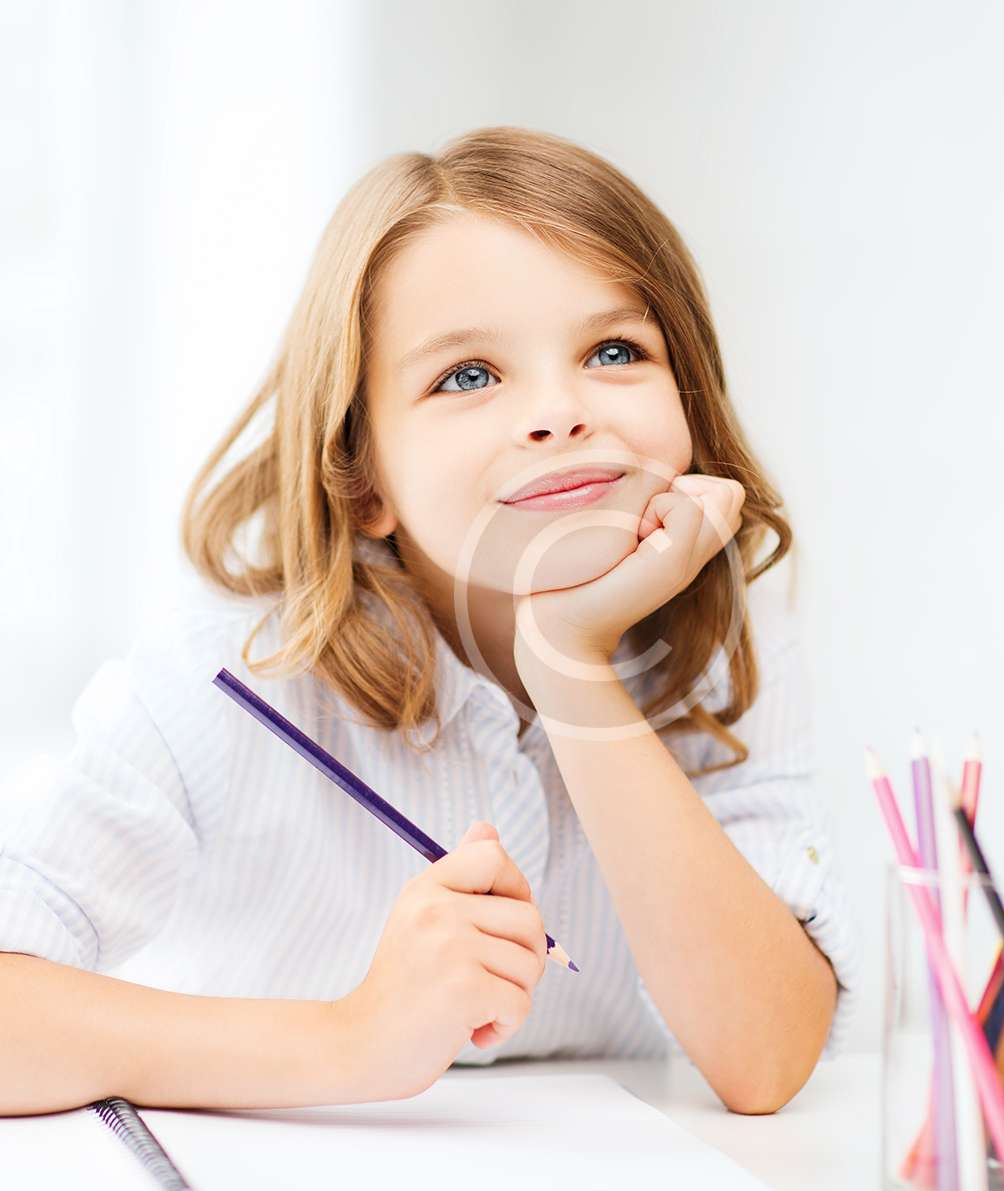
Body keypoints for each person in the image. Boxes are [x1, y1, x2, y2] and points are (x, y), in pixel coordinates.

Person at [0, 126, 858, 1118]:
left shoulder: (721, 654)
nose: (558, 412)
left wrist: (570, 667)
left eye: (613, 350)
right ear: (365, 481)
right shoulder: (225, 682)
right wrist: (349, 1038)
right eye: (467, 376)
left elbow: (768, 1056)